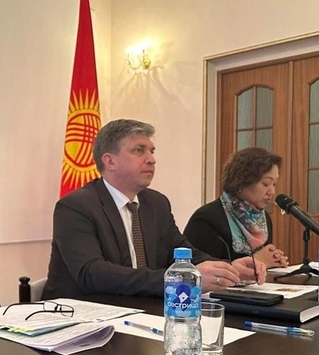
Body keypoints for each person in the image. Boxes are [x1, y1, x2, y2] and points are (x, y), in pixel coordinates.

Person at [43, 119, 265, 299]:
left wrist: (227, 268)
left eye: (151, 151)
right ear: (110, 162)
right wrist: (180, 279)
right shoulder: (75, 207)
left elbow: (182, 251)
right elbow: (92, 274)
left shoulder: (156, 203)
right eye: (139, 151)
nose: (151, 159)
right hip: (79, 318)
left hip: (139, 311)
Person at [183, 147, 289, 268]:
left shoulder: (264, 219)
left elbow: (263, 265)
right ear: (243, 181)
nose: (272, 192)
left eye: (274, 184)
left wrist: (274, 260)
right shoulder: (206, 219)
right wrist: (256, 261)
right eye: (266, 183)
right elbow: (200, 269)